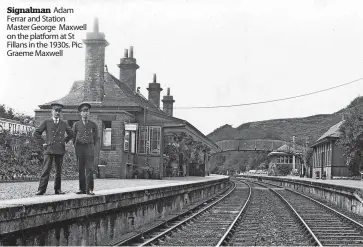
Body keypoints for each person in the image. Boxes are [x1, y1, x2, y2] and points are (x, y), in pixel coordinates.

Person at [34, 103, 74, 195]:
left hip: (59, 149)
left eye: (59, 111)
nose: (57, 113)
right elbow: (37, 133)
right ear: (52, 112)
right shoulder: (47, 122)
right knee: (46, 170)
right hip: (49, 149)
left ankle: (58, 189)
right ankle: (41, 189)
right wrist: (42, 143)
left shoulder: (64, 123)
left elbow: (71, 133)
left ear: (61, 113)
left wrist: (65, 141)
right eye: (56, 111)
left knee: (58, 171)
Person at [73, 102, 98, 195]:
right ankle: (82, 189)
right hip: (79, 148)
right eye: (83, 111)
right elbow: (73, 137)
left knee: (90, 168)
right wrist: (77, 147)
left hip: (89, 148)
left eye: (87, 111)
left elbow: (96, 138)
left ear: (89, 113)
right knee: (80, 168)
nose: (85, 113)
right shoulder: (76, 124)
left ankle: (89, 189)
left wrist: (90, 145)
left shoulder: (93, 125)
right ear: (80, 113)